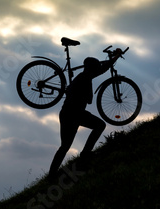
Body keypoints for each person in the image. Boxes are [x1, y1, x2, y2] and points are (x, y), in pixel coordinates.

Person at [48, 49, 122, 179]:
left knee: (65, 146)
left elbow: (103, 68)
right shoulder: (85, 77)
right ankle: (86, 154)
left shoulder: (84, 76)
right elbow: (102, 70)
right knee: (99, 125)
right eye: (95, 68)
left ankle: (52, 174)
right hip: (74, 113)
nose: (97, 70)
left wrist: (115, 57)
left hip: (68, 113)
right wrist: (115, 56)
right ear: (92, 68)